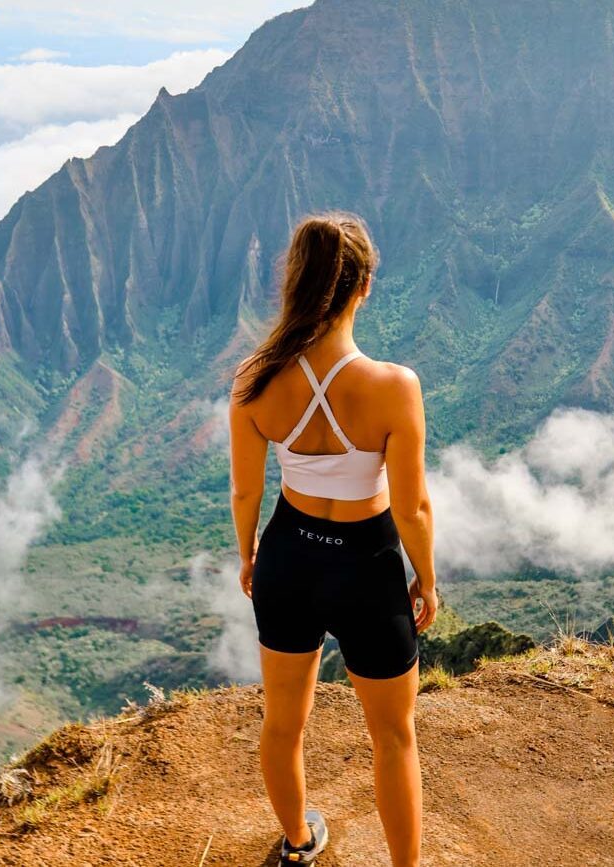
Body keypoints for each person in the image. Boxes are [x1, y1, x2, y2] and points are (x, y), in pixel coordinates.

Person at [228, 210, 439, 867]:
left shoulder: (254, 378)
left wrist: (249, 556)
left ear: (295, 281)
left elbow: (244, 492)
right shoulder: (392, 387)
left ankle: (297, 841)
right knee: (394, 736)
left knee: (283, 724)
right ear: (364, 285)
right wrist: (425, 578)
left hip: (288, 557)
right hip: (368, 564)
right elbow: (413, 507)